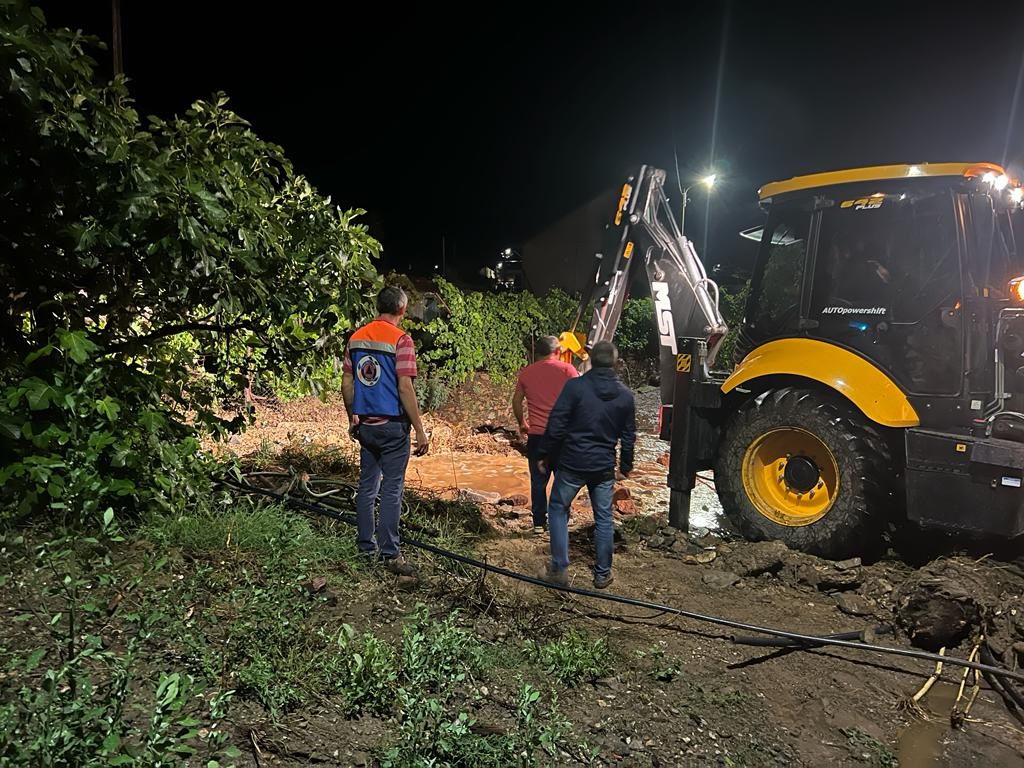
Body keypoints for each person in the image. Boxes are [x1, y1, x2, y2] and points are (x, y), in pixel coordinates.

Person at [342, 286, 429, 577]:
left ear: (378, 306)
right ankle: (390, 554)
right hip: (393, 427)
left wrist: (351, 417)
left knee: (367, 488)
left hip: (366, 426)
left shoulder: (355, 338)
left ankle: (365, 549)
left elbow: (347, 383)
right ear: (402, 310)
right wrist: (419, 429)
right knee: (391, 490)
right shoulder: (402, 340)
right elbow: (405, 386)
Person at [537, 340, 635, 589]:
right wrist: (625, 466)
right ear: (615, 362)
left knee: (558, 507)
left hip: (572, 463)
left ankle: (559, 569)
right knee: (603, 518)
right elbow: (629, 436)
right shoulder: (625, 396)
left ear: (591, 359)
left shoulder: (575, 387)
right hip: (603, 467)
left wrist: (544, 454)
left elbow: (557, 424)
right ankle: (602, 574)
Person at [512, 335, 579, 534]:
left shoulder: (526, 373)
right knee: (563, 481)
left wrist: (522, 423)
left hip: (537, 436)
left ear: (536, 353)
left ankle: (539, 524)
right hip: (563, 436)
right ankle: (560, 522)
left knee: (538, 481)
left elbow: (516, 402)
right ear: (558, 352)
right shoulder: (568, 370)